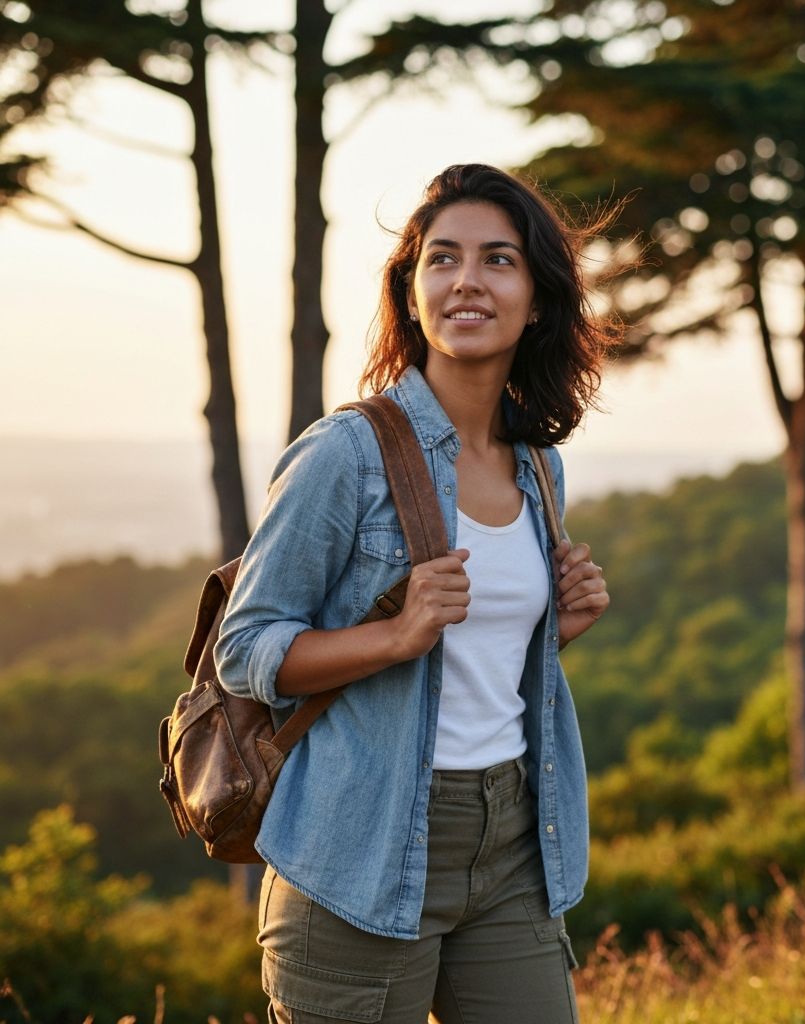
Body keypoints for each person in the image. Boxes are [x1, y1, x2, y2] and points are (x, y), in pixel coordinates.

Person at [215, 163, 617, 1024]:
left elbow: (475, 665)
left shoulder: (538, 466)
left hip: (511, 837)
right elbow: (243, 651)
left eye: (497, 260)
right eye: (443, 259)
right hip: (360, 847)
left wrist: (557, 630)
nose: (467, 280)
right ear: (412, 291)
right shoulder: (347, 454)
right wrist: (394, 639)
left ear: (537, 298)